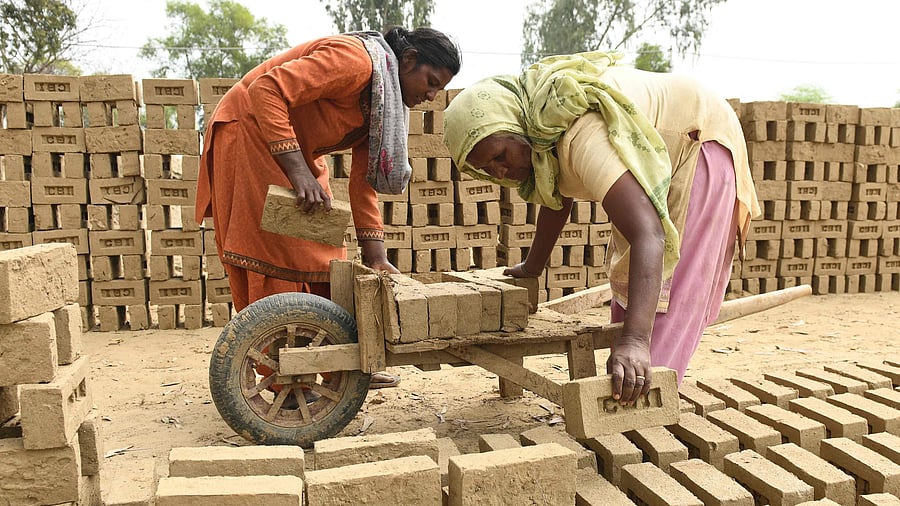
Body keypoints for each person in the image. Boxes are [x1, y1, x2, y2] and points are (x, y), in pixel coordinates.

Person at [442, 51, 760, 404]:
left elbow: (649, 234)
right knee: (629, 283)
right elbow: (557, 198)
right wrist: (532, 268)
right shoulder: (543, 134)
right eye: (487, 168)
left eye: (500, 155)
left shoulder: (581, 133)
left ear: (515, 125)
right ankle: (626, 386)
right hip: (661, 149)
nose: (500, 172)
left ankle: (641, 408)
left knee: (670, 291)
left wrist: (637, 340)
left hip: (697, 140)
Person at [196, 27, 462, 389]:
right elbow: (266, 90)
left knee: (328, 258)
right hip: (249, 131)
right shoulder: (355, 62)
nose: (431, 96)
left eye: (438, 89)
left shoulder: (385, 104)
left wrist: (377, 256)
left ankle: (344, 366)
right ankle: (284, 378)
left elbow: (364, 182)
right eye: (430, 82)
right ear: (410, 59)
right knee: (276, 257)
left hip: (294, 151)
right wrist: (297, 171)